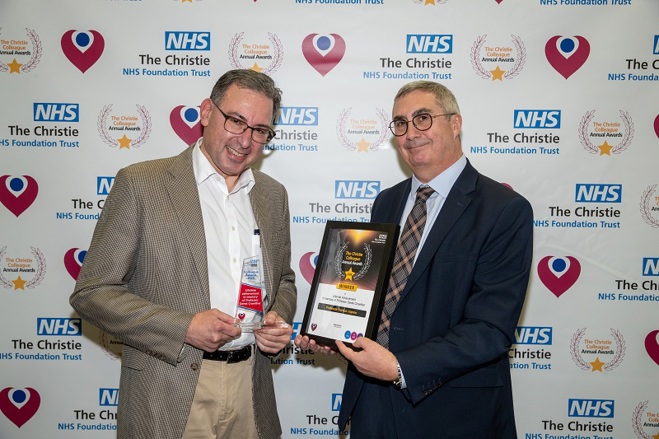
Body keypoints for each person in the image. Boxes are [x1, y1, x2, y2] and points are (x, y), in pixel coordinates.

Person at [295, 80, 533, 438]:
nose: (410, 133)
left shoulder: (504, 209)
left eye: (423, 118)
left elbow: (490, 329)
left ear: (455, 124)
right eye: (400, 123)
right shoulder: (386, 202)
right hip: (372, 404)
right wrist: (332, 331)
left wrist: (398, 366)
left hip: (452, 413)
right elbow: (373, 298)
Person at [70, 69, 296, 439]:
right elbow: (92, 293)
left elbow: (284, 280)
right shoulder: (141, 184)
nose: (245, 140)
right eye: (236, 121)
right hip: (167, 389)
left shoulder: (273, 195)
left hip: (251, 388)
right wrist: (184, 328)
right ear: (207, 112)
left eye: (260, 130)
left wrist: (277, 317)